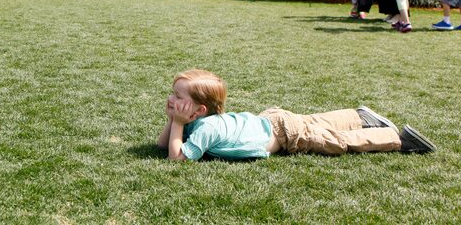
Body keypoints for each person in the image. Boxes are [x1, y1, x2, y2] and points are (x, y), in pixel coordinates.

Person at [157, 69, 436, 162]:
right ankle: (358, 115)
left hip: (282, 134)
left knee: (334, 140)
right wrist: (174, 120)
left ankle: (394, 138)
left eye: (178, 98)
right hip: (271, 118)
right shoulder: (205, 121)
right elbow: (162, 144)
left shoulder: (205, 129)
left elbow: (176, 159)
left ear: (199, 110)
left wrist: (179, 123)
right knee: (314, 121)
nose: (171, 99)